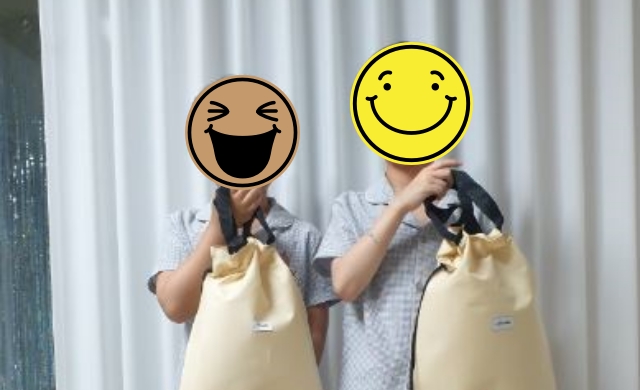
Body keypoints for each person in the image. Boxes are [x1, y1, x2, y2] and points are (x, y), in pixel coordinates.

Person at [148, 186, 335, 383]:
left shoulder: (304, 236)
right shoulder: (184, 226)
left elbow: (314, 336)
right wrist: (217, 229)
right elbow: (174, 307)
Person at [314, 159, 464, 390]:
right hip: (372, 382)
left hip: (450, 377)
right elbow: (345, 286)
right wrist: (400, 205)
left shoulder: (467, 210)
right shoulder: (352, 206)